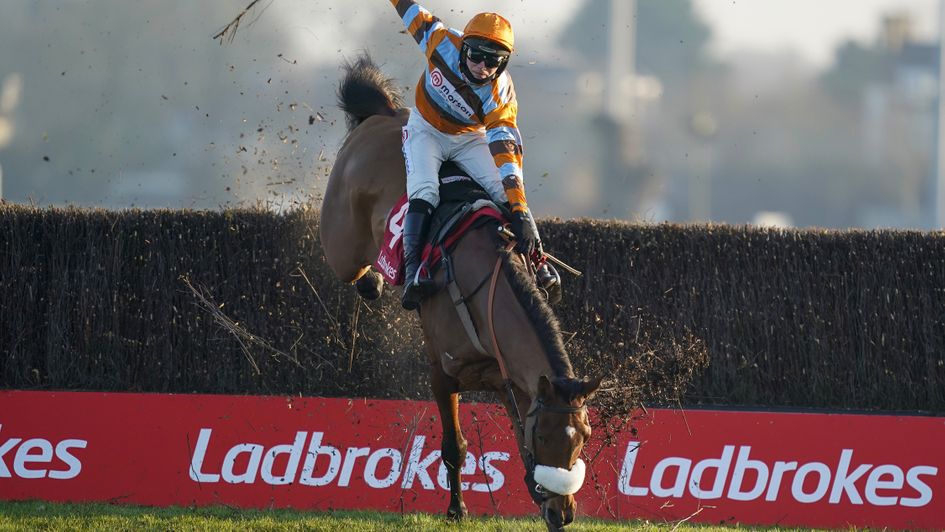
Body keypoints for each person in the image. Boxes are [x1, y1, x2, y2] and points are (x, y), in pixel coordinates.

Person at [389, 0, 542, 310]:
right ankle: (414, 272)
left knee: (506, 192)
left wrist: (521, 211)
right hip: (426, 129)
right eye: (476, 56)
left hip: (469, 138)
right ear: (463, 47)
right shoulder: (440, 40)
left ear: (503, 65)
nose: (481, 68)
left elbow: (506, 153)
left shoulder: (500, 93)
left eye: (492, 63)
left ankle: (539, 262)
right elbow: (406, 7)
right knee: (425, 189)